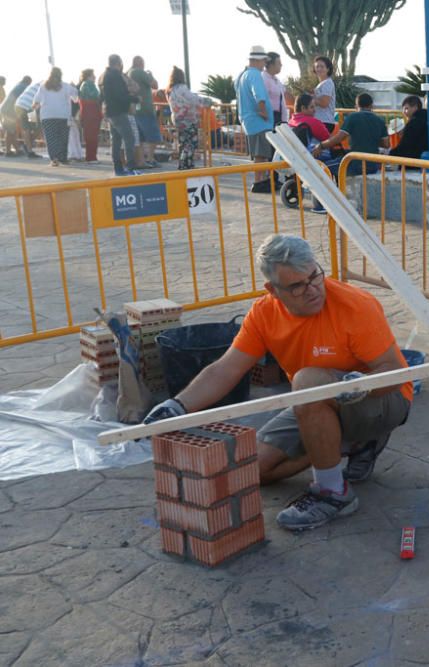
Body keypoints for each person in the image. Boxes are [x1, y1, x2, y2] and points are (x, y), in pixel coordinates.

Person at [143, 234, 413, 531]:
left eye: (315, 276)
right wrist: (176, 406)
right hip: (316, 403)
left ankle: (334, 493)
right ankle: (349, 445)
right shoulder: (264, 314)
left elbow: (394, 372)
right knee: (256, 469)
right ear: (273, 289)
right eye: (297, 286)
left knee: (307, 379)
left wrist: (360, 385)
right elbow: (225, 370)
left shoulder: (354, 306)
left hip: (380, 399)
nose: (313, 290)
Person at [311, 92, 388, 177]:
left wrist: (321, 146)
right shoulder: (380, 121)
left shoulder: (353, 117)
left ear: (356, 106)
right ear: (371, 106)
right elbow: (386, 144)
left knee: (321, 168)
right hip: (373, 166)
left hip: (356, 164)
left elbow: (339, 138)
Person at [236, 45, 277, 193]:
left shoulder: (242, 75)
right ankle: (259, 182)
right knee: (261, 155)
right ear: (259, 60)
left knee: (257, 154)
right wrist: (263, 111)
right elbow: (258, 93)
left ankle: (259, 181)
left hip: (248, 121)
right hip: (259, 122)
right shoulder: (255, 75)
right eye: (263, 61)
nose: (264, 64)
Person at [99, 54, 141, 176]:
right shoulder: (115, 76)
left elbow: (102, 96)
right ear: (119, 62)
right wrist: (135, 99)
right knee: (129, 139)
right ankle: (131, 167)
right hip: (118, 112)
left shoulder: (104, 76)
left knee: (116, 141)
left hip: (110, 112)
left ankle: (118, 168)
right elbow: (120, 95)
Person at [166, 67, 210, 170]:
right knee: (191, 143)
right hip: (188, 119)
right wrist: (207, 101)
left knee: (183, 143)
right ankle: (188, 164)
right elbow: (192, 99)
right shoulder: (182, 88)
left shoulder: (171, 90)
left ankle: (182, 164)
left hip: (177, 119)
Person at [33, 67, 77, 166]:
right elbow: (75, 97)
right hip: (63, 115)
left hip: (47, 116)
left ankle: (54, 159)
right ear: (61, 75)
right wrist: (74, 87)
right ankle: (63, 159)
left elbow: (36, 102)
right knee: (63, 137)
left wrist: (36, 107)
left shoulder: (43, 86)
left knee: (51, 138)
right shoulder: (66, 86)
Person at [127, 56, 161, 168]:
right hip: (145, 109)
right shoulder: (140, 72)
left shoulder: (128, 72)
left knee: (139, 138)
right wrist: (151, 75)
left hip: (134, 109)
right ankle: (150, 158)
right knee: (154, 136)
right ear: (141, 63)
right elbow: (155, 85)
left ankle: (141, 160)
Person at [388, 95, 428, 159]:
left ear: (415, 107)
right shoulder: (427, 118)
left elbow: (405, 145)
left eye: (406, 108)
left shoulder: (413, 123)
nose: (404, 112)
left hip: (413, 160)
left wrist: (391, 153)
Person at [1, 76, 33, 157]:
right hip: (9, 111)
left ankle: (17, 150)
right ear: (28, 82)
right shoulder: (24, 87)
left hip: (7, 109)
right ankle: (8, 152)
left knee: (13, 131)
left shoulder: (19, 85)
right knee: (10, 131)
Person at [77, 69, 102, 163]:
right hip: (91, 112)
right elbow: (95, 96)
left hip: (89, 113)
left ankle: (91, 156)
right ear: (88, 76)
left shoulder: (84, 84)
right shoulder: (88, 84)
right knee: (92, 136)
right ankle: (91, 157)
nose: (95, 76)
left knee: (90, 135)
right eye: (93, 75)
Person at [14, 81, 42, 158]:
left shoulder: (35, 85)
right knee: (35, 128)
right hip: (28, 107)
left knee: (29, 128)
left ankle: (27, 146)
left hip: (19, 105)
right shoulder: (46, 87)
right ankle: (29, 151)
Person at [312, 55, 337, 133]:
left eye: (322, 67)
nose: (319, 69)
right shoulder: (322, 84)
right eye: (317, 66)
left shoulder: (327, 83)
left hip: (324, 121)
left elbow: (324, 103)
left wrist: (310, 99)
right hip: (321, 121)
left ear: (328, 69)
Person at [263, 52, 288, 128]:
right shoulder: (263, 79)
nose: (281, 65)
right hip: (270, 120)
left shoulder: (276, 79)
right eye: (279, 63)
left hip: (279, 120)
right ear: (271, 65)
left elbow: (285, 94)